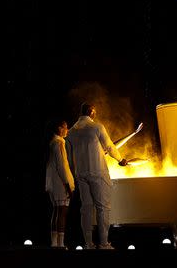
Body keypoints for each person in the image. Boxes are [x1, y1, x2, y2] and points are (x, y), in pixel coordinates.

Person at [66, 103, 127, 249]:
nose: (96, 114)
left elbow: (69, 157)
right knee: (102, 207)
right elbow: (109, 146)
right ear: (91, 112)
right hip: (97, 172)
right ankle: (104, 243)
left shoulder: (72, 132)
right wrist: (120, 160)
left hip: (81, 174)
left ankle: (88, 243)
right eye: (95, 111)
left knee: (86, 208)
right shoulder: (96, 127)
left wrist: (74, 174)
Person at [45, 119, 75, 249]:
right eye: (65, 127)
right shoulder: (59, 143)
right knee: (62, 212)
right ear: (59, 128)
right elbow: (62, 166)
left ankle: (54, 243)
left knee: (56, 211)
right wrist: (68, 185)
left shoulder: (53, 143)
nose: (67, 130)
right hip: (60, 183)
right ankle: (60, 244)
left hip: (53, 182)